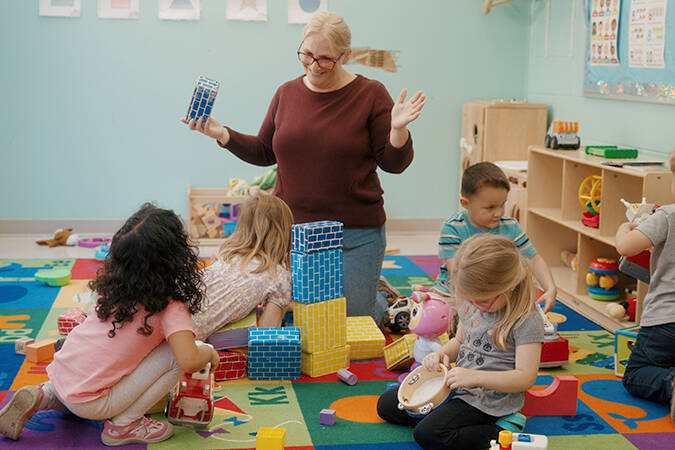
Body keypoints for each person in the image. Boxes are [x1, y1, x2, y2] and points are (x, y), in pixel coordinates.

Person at [182, 11, 425, 324]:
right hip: (293, 234)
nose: (313, 65)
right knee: (295, 318)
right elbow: (265, 150)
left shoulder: (371, 94)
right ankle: (360, 291)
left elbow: (394, 164)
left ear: (346, 56)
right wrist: (222, 134)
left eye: (325, 59)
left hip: (355, 232)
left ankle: (377, 295)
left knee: (349, 323)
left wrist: (398, 131)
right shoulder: (286, 93)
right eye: (307, 54)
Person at [0, 204, 220, 446]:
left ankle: (45, 396)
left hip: (61, 375)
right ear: (176, 258)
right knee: (178, 353)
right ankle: (125, 425)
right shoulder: (171, 305)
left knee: (96, 357)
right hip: (92, 403)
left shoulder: (113, 287)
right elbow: (188, 359)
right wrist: (207, 352)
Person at [377, 234, 544, 449]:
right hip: (457, 386)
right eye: (469, 298)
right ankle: (449, 419)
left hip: (490, 401)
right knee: (388, 405)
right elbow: (460, 341)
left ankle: (503, 431)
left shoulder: (527, 320)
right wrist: (441, 354)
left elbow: (525, 378)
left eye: (482, 299)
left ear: (509, 286)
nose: (474, 304)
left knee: (427, 434)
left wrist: (475, 377)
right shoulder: (472, 303)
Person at [432, 162, 557, 312]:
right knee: (436, 313)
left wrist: (550, 288)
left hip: (498, 295)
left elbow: (534, 259)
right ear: (466, 203)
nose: (499, 213)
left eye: (502, 205)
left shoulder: (510, 226)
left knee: (523, 314)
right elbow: (457, 272)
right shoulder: (453, 228)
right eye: (490, 207)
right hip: (458, 292)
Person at [615, 149, 675, 422]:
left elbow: (625, 247)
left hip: (665, 321)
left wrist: (627, 227)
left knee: (636, 372)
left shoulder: (666, 216)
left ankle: (671, 383)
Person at [193, 193, 294, 340]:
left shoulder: (227, 254)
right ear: (284, 233)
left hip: (172, 310)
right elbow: (266, 335)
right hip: (188, 335)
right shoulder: (278, 275)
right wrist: (283, 304)